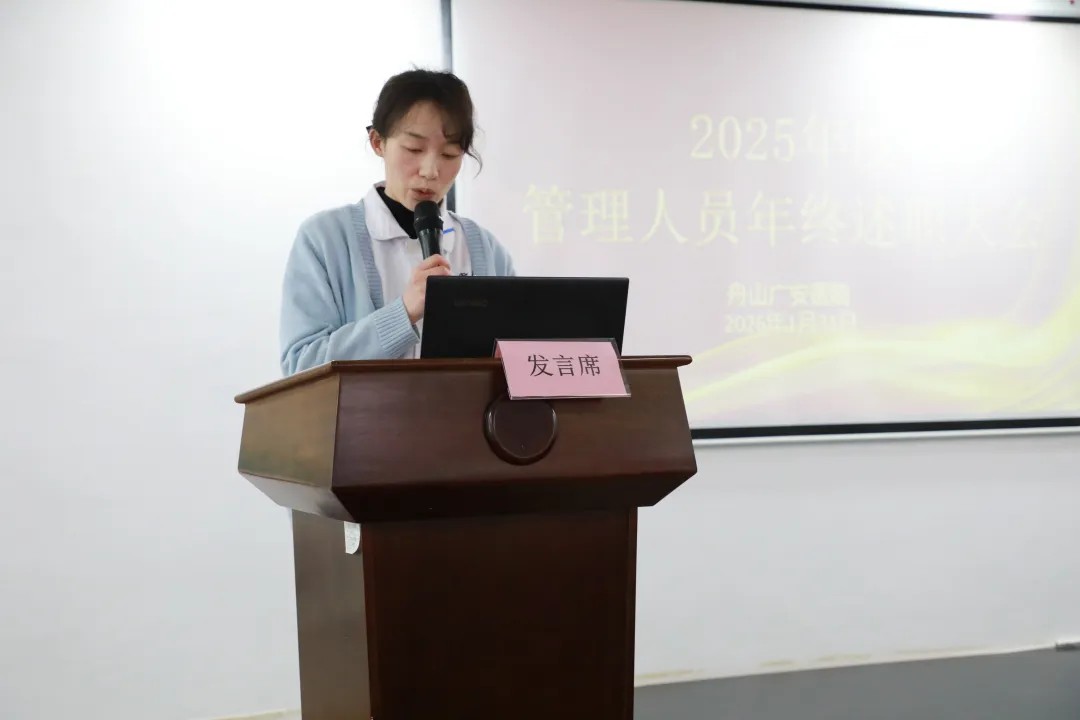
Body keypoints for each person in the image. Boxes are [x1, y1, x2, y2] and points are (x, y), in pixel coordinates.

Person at [278, 69, 516, 376]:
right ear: (378, 142)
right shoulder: (324, 238)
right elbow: (301, 365)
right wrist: (403, 312)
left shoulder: (485, 248)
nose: (430, 170)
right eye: (414, 149)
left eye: (449, 154)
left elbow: (519, 358)